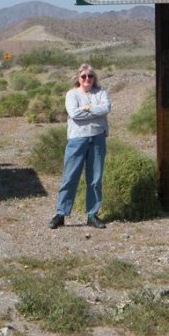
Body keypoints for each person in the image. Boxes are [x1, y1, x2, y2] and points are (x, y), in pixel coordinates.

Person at [49, 64, 112, 229]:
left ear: (94, 78)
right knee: (69, 177)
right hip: (77, 138)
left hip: (97, 138)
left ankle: (92, 214)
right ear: (78, 78)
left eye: (90, 76)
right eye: (83, 76)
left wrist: (87, 108)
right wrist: (95, 112)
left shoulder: (101, 93)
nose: (87, 79)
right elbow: (74, 113)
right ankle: (61, 214)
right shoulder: (72, 94)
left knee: (95, 178)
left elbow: (106, 108)